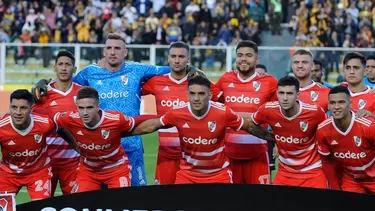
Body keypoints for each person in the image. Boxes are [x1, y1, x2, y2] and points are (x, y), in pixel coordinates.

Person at [31, 33, 199, 186]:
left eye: (117, 48)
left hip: (132, 145)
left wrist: (191, 69)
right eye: (109, 48)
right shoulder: (91, 72)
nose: (112, 52)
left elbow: (171, 69)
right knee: (100, 200)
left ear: (125, 52)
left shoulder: (137, 69)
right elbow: (65, 81)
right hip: (101, 148)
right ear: (104, 51)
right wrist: (43, 81)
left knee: (136, 197)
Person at [126, 75, 275, 184]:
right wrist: (121, 133)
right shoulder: (177, 113)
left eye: (201, 93)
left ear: (209, 95)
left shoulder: (223, 112)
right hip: (188, 174)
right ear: (187, 95)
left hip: (219, 175)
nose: (196, 98)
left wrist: (274, 138)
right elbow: (151, 125)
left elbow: (248, 126)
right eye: (192, 93)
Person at [141, 41, 222, 185]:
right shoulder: (156, 82)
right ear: (168, 59)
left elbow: (220, 100)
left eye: (181, 56)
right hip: (165, 156)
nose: (177, 60)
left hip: (193, 158)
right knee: (163, 202)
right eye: (173, 56)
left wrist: (200, 74)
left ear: (188, 60)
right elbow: (132, 91)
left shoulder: (198, 84)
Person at [215, 40, 278, 184]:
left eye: (248, 55)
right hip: (228, 155)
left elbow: (278, 115)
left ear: (257, 59)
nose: (243, 59)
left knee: (259, 203)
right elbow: (213, 110)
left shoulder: (270, 82)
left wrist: (277, 142)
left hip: (258, 155)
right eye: (240, 55)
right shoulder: (225, 79)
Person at [53, 87, 135, 192]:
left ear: (98, 107)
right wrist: (74, 145)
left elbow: (139, 125)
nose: (85, 112)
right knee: (81, 204)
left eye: (89, 107)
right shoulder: (70, 118)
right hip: (88, 171)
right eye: (81, 108)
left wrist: (161, 120)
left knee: (119, 204)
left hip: (116, 169)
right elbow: (52, 120)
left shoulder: (116, 119)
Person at [251, 76, 328, 188]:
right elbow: (251, 123)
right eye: (281, 93)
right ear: (277, 94)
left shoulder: (314, 112)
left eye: (290, 94)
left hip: (312, 171)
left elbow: (330, 129)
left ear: (298, 94)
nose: (285, 98)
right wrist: (272, 137)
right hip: (285, 172)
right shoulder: (267, 109)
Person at [0, 90, 77, 200]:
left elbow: (62, 130)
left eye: (23, 108)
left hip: (39, 173)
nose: (18, 112)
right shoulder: (2, 127)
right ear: (9, 107)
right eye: (14, 107)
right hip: (8, 174)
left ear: (31, 109)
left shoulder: (44, 123)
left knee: (42, 207)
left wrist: (79, 149)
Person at [32, 50, 81, 196]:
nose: (64, 68)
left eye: (68, 64)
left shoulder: (82, 94)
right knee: (45, 205)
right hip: (47, 162)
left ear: (75, 69)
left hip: (74, 162)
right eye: (60, 64)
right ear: (54, 68)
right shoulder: (42, 94)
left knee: (75, 204)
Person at [317, 86, 375, 193]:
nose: (337, 107)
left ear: (350, 104)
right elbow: (326, 161)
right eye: (333, 103)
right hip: (351, 180)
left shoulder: (368, 126)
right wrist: (336, 188)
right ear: (328, 106)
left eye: (341, 102)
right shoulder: (322, 130)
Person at [340, 52, 375, 117]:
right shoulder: (337, 92)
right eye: (348, 68)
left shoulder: (373, 96)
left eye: (356, 68)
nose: (351, 72)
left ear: (365, 72)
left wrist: (371, 116)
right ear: (344, 70)